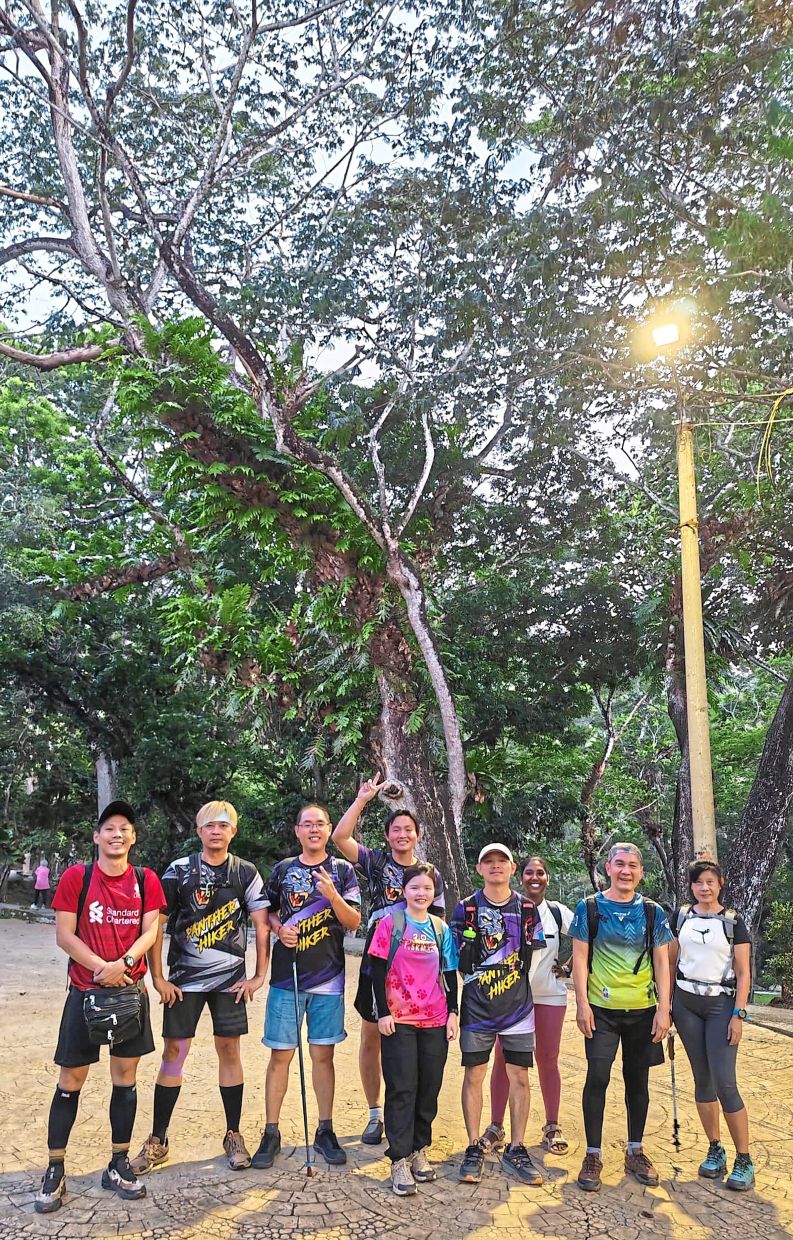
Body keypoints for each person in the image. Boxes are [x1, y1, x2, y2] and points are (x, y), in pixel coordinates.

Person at [35, 800, 166, 1214]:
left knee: (125, 1080)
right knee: (70, 1079)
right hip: (84, 993)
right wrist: (102, 967)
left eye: (125, 828)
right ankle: (55, 1168)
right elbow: (65, 935)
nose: (117, 834)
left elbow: (151, 931)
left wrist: (125, 964)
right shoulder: (78, 877)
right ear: (97, 836)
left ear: (134, 837)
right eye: (109, 828)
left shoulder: (146, 881)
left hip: (131, 993)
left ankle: (117, 1162)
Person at [131, 801, 270, 1175]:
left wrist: (259, 976)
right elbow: (155, 925)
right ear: (198, 830)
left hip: (229, 982)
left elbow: (261, 925)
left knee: (229, 1051)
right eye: (209, 825)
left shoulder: (246, 872)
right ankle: (159, 1139)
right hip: (184, 980)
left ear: (233, 831)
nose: (216, 831)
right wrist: (158, 977)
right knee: (174, 1052)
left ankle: (233, 1134)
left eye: (223, 825)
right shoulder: (178, 871)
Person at [332, 773, 445, 1144]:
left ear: (418, 835)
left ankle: (409, 1116)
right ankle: (375, 1113)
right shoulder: (377, 862)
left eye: (408, 830)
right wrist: (362, 799)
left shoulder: (429, 875)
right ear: (388, 836)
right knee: (371, 1035)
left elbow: (439, 926)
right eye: (395, 829)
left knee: (409, 1038)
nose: (402, 835)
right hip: (377, 963)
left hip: (416, 972)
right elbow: (340, 838)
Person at [252, 803, 361, 1169]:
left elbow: (353, 921)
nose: (314, 830)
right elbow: (266, 911)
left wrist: (332, 896)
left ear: (329, 829)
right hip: (287, 978)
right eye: (307, 824)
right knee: (280, 1054)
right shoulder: (283, 869)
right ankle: (271, 1132)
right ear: (297, 830)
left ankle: (325, 1129)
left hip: (329, 979)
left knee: (322, 1056)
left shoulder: (343, 871)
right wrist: (279, 927)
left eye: (320, 824)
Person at [570, 841, 672, 1192]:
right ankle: (593, 1154)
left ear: (641, 872)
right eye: (619, 864)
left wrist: (664, 1009)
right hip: (601, 1011)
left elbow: (662, 962)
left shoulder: (652, 912)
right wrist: (582, 1004)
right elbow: (580, 959)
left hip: (643, 1012)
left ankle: (636, 1150)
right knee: (597, 1078)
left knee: (637, 1082)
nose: (626, 871)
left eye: (633, 865)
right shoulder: (589, 908)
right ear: (608, 868)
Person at [450, 843, 546, 1186]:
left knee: (520, 1075)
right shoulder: (466, 909)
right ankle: (474, 1145)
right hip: (477, 1009)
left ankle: (517, 1147)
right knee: (474, 1074)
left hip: (518, 1008)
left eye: (501, 861)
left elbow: (530, 957)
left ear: (511, 867)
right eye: (487, 861)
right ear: (479, 869)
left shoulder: (527, 908)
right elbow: (457, 959)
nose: (495, 867)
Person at [367, 863, 459, 1195]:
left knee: (428, 1089)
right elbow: (376, 971)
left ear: (435, 894)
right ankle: (399, 1159)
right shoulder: (389, 924)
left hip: (435, 1019)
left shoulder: (440, 928)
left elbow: (449, 973)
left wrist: (453, 1012)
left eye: (427, 889)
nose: (421, 894)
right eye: (415, 887)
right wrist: (383, 1013)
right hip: (399, 1021)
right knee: (402, 1088)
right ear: (404, 890)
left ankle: (420, 1150)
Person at [669, 859, 754, 1191]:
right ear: (691, 886)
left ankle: (744, 1158)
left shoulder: (733, 923)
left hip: (721, 1005)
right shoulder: (681, 918)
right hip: (687, 1002)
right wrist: (668, 1006)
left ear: (721, 884)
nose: (704, 888)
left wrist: (739, 1014)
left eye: (710, 882)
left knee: (724, 1082)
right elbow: (672, 961)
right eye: (698, 883)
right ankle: (715, 1149)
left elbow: (744, 972)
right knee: (702, 1080)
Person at [482, 855, 574, 1156]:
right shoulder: (509, 908)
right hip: (510, 998)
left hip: (548, 996)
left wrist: (569, 967)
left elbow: (589, 937)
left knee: (548, 1058)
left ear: (547, 878)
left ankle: (551, 1125)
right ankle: (496, 1127)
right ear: (520, 877)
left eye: (541, 873)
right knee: (503, 1060)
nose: (535, 878)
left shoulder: (557, 913)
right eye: (529, 873)